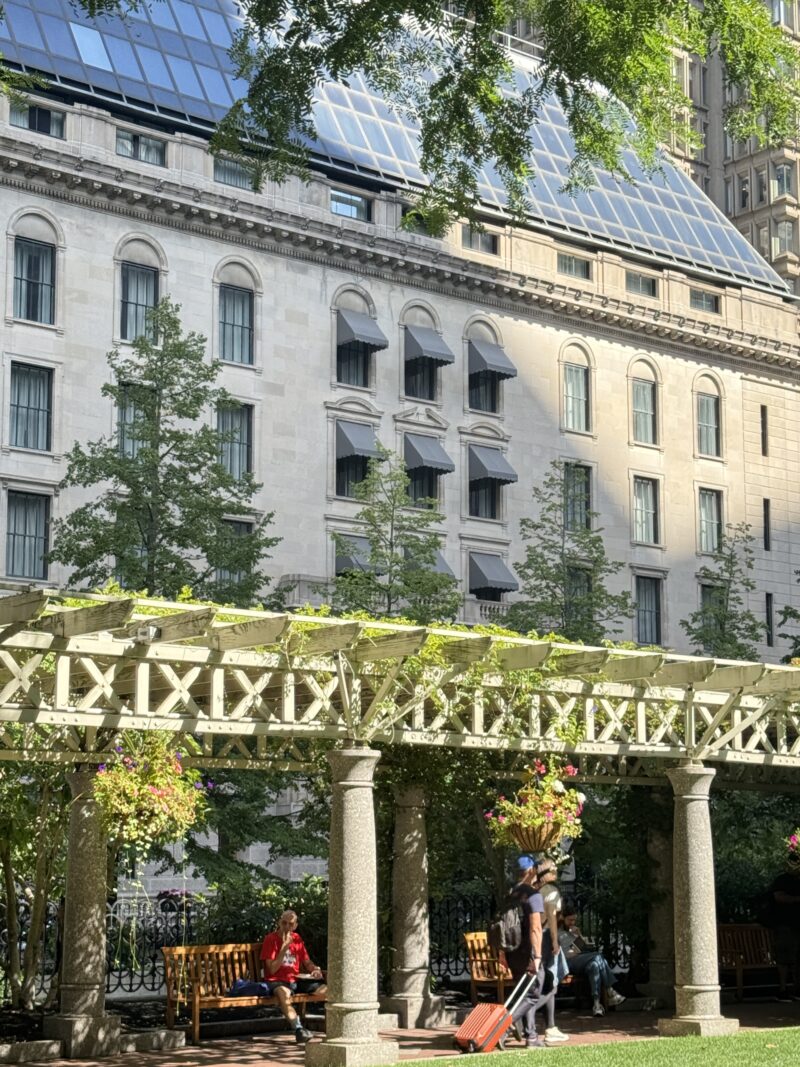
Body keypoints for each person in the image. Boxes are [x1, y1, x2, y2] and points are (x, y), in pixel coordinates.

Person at [500, 856, 568, 1048]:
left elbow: (501, 924)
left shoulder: (511, 893)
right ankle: (504, 1027)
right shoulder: (532, 895)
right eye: (535, 870)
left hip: (513, 950)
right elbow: (536, 928)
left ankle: (531, 1036)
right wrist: (537, 957)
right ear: (531, 871)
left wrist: (502, 953)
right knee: (533, 994)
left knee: (524, 992)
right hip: (528, 951)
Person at [260, 909, 326, 1043]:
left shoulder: (297, 939)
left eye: (290, 924)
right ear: (279, 922)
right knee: (283, 993)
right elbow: (272, 969)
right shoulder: (270, 939)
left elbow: (307, 962)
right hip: (277, 981)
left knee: (327, 991)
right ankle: (298, 1029)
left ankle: (335, 1026)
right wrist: (284, 948)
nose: (286, 927)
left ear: (295, 926)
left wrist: (314, 969)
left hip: (296, 979)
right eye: (284, 923)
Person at [558, 904, 626, 1017]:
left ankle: (596, 1004)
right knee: (598, 956)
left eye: (574, 920)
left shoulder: (574, 931)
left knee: (594, 965)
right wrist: (575, 952)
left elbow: (581, 948)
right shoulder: (557, 932)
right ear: (563, 918)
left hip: (580, 960)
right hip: (568, 963)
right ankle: (610, 989)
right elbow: (566, 955)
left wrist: (579, 935)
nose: (572, 923)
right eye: (570, 920)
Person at [768, 863, 800, 1001]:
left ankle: (797, 990)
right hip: (786, 925)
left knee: (796, 958)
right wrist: (797, 899)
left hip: (797, 925)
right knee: (785, 958)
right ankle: (783, 989)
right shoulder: (782, 880)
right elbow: (778, 896)